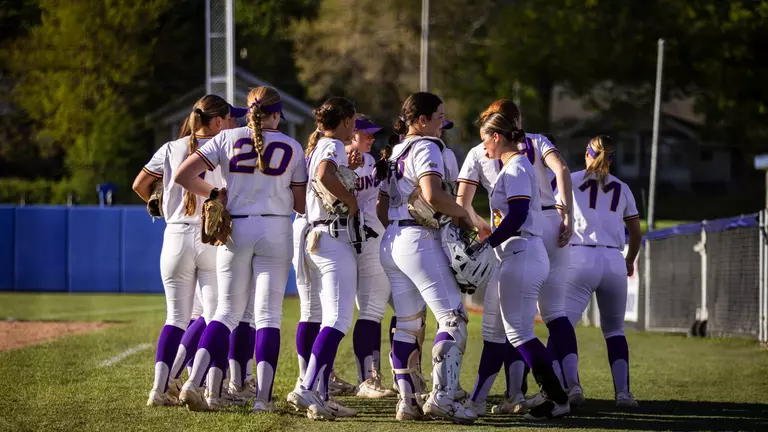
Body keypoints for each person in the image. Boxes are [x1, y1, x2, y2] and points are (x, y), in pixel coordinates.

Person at [174, 86, 307, 413]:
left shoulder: (226, 138)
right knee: (268, 317)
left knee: (225, 312)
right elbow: (302, 205)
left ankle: (193, 382)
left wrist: (216, 194)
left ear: (248, 111)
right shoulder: (292, 146)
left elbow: (183, 175)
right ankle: (262, 399)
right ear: (276, 113)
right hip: (275, 228)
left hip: (237, 228)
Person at [459, 100, 577, 416]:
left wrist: (486, 243)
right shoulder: (515, 165)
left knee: (519, 333)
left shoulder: (517, 166)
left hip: (522, 251)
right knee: (496, 333)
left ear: (498, 136)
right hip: (515, 253)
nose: (483, 145)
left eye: (485, 137)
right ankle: (477, 402)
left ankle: (559, 398)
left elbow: (518, 215)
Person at [132, 94, 241, 407]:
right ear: (217, 120)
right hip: (211, 236)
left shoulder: (170, 148)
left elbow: (140, 185)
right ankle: (185, 382)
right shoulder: (226, 148)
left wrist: (163, 203)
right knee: (214, 314)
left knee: (176, 317)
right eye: (229, 118)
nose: (233, 123)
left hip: (176, 234)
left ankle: (158, 389)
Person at [377, 92, 477, 424]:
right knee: (452, 318)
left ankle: (406, 401)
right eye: (438, 117)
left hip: (392, 239)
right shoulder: (426, 146)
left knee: (407, 325)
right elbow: (433, 194)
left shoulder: (394, 151)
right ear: (421, 120)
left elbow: (380, 207)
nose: (441, 124)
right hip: (418, 240)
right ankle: (443, 398)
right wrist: (467, 216)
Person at [286, 97, 359, 420]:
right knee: (338, 319)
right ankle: (308, 386)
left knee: (317, 314)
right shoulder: (332, 145)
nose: (354, 127)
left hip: (312, 236)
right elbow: (324, 174)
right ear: (344, 120)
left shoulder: (319, 144)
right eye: (352, 121)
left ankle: (321, 394)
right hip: (330, 237)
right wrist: (350, 201)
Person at [557, 135, 642, 408]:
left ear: (587, 154)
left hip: (580, 256)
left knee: (564, 328)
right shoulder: (622, 186)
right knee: (615, 331)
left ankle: (573, 387)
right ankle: (623, 394)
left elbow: (556, 219)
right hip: (614, 259)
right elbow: (636, 233)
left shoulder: (569, 178)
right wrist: (629, 260)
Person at [344, 115, 396, 398]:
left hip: (362, 239)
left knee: (368, 310)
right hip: (353, 239)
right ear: (352, 134)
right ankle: (368, 379)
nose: (372, 138)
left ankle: (370, 377)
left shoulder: (370, 162)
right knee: (361, 311)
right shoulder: (339, 158)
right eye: (367, 134)